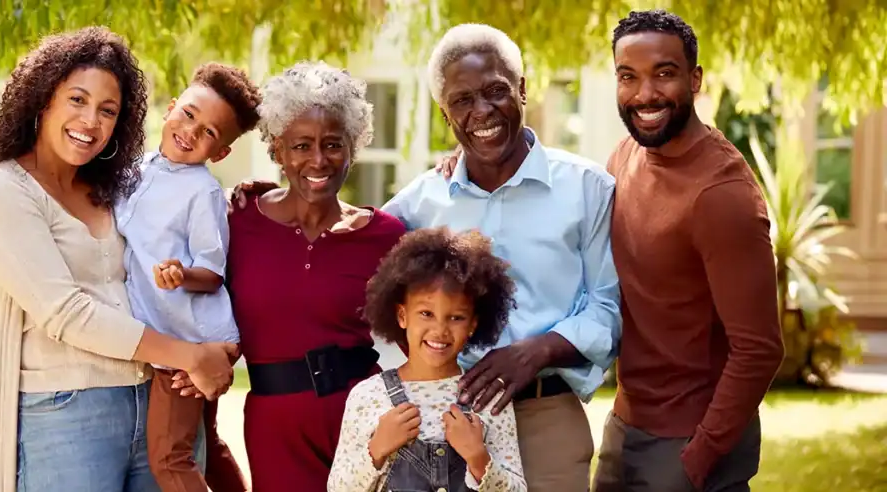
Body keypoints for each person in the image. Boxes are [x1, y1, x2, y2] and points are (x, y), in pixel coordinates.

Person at [233, 25, 621, 492]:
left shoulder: (587, 187)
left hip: (544, 413)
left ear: (522, 89)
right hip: (440, 417)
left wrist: (535, 352)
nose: (482, 111)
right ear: (445, 113)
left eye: (496, 91)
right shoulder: (417, 205)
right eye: (462, 100)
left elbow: (608, 306)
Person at [0, 27, 233, 492]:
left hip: (155, 401)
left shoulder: (118, 190)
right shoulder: (0, 192)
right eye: (77, 100)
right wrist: (190, 356)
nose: (90, 121)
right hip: (68, 416)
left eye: (107, 111)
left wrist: (250, 199)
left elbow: (186, 231)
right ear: (43, 98)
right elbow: (66, 313)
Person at [592, 10, 784, 492]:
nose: (645, 95)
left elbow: (759, 349)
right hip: (624, 427)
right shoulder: (626, 155)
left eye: (664, 73)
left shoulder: (722, 196)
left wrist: (700, 456)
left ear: (695, 79)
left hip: (687, 443)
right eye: (628, 77)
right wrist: (468, 161)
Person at [225, 61, 407, 491]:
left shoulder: (385, 236)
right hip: (274, 426)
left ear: (353, 147)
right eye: (301, 146)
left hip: (364, 420)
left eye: (333, 144)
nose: (318, 160)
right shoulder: (237, 221)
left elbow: (419, 335)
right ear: (277, 150)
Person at [115, 62, 261, 492]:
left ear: (220, 154)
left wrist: (182, 275)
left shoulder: (202, 191)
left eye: (210, 133)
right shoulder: (136, 169)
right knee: (206, 444)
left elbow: (213, 273)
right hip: (169, 335)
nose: (192, 131)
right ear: (171, 106)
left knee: (170, 458)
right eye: (190, 114)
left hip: (190, 339)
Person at [328, 227, 527, 492]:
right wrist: (376, 450)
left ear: (473, 324)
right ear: (402, 316)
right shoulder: (367, 396)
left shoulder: (486, 397)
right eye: (426, 313)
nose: (440, 330)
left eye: (456, 317)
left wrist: (478, 458)